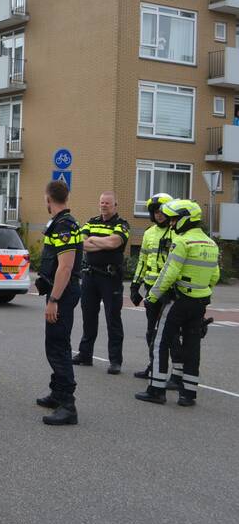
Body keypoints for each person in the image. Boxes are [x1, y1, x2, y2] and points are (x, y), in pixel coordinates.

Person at [136, 200, 219, 407]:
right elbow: (214, 276)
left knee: (159, 342)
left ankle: (156, 390)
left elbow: (169, 273)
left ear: (185, 219)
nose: (172, 223)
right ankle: (188, 394)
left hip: (178, 300)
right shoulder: (211, 243)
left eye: (174, 219)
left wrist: (152, 297)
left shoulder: (183, 242)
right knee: (192, 346)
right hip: (199, 303)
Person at [35, 180, 83, 426]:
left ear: (48, 199)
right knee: (54, 343)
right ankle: (57, 393)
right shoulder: (60, 222)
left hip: (62, 292)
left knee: (58, 346)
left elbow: (65, 267)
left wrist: (54, 299)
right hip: (60, 290)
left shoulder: (64, 225)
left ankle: (67, 405)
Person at [73, 192, 130, 374]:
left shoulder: (121, 224)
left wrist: (93, 240)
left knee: (113, 319)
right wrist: (100, 243)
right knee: (88, 316)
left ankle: (115, 361)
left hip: (110, 277)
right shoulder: (92, 221)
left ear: (115, 205)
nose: (104, 205)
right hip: (90, 275)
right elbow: (81, 243)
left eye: (107, 203)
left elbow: (114, 243)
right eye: (102, 202)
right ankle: (85, 355)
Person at [130, 193, 180, 383]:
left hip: (170, 290)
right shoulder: (149, 233)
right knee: (151, 331)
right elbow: (142, 260)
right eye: (155, 212)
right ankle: (154, 367)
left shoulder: (176, 232)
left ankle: (177, 373)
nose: (158, 215)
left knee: (171, 332)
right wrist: (135, 285)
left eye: (161, 212)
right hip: (151, 289)